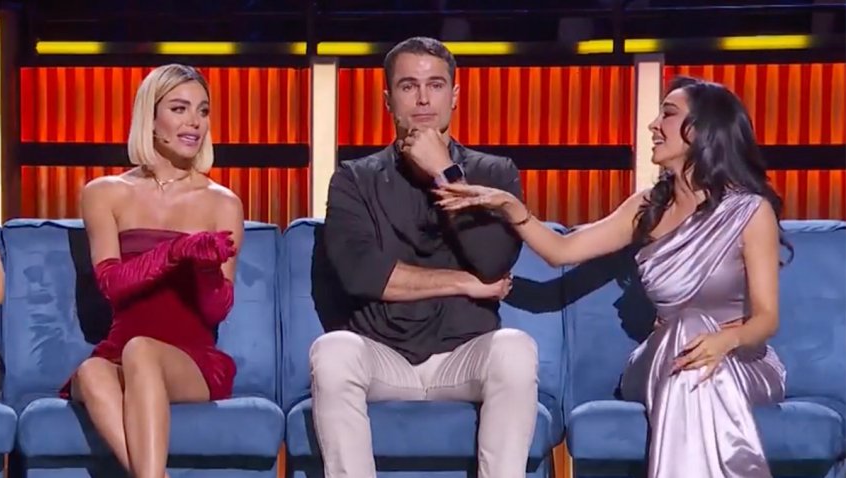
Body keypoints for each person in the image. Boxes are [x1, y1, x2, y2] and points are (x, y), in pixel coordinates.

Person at [435, 76, 789, 478]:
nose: (653, 125)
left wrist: (725, 340)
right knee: (687, 332)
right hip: (661, 359)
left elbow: (766, 319)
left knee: (697, 362)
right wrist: (510, 207)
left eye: (668, 114)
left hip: (739, 361)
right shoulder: (647, 207)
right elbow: (561, 251)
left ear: (703, 130)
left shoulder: (749, 212)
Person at [313, 37, 539, 478]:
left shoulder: (495, 173)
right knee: (332, 351)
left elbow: (492, 262)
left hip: (463, 354)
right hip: (383, 355)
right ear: (387, 100)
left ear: (454, 96)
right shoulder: (353, 179)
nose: (422, 99)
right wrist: (464, 283)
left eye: (435, 85)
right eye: (408, 86)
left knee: (516, 349)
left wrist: (445, 173)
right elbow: (363, 276)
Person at [60, 64, 244, 478]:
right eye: (179, 108)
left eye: (203, 110)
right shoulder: (104, 193)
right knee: (91, 371)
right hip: (119, 351)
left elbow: (217, 310)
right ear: (151, 116)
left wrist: (207, 271)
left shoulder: (223, 202)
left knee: (141, 350)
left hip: (191, 361)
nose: (194, 122)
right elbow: (111, 285)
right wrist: (175, 253)